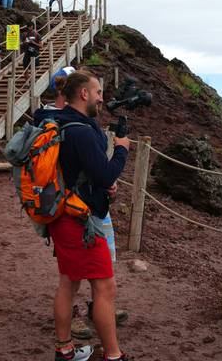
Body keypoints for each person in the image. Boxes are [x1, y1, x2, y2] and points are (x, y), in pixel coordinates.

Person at [34, 67, 129, 342]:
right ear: (84, 93)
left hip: (63, 212)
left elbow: (81, 171)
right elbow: (105, 173)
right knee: (104, 287)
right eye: (98, 92)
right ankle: (113, 353)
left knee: (69, 282)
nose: (101, 98)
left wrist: (102, 184)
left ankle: (63, 349)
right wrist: (122, 149)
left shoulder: (58, 122)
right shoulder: (80, 131)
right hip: (81, 218)